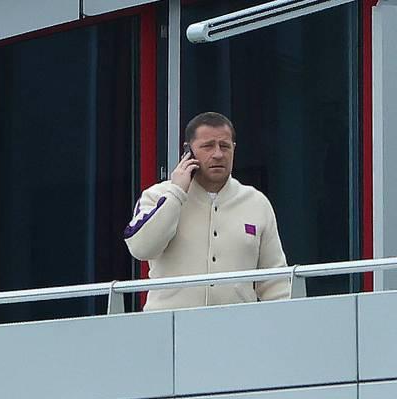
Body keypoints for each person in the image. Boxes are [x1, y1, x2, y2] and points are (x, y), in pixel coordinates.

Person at [124, 112, 289, 311]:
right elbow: (141, 248)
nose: (218, 154)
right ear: (188, 151)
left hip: (239, 325)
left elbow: (276, 283)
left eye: (225, 146)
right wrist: (176, 194)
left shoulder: (256, 202)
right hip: (170, 324)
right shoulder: (157, 195)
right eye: (208, 146)